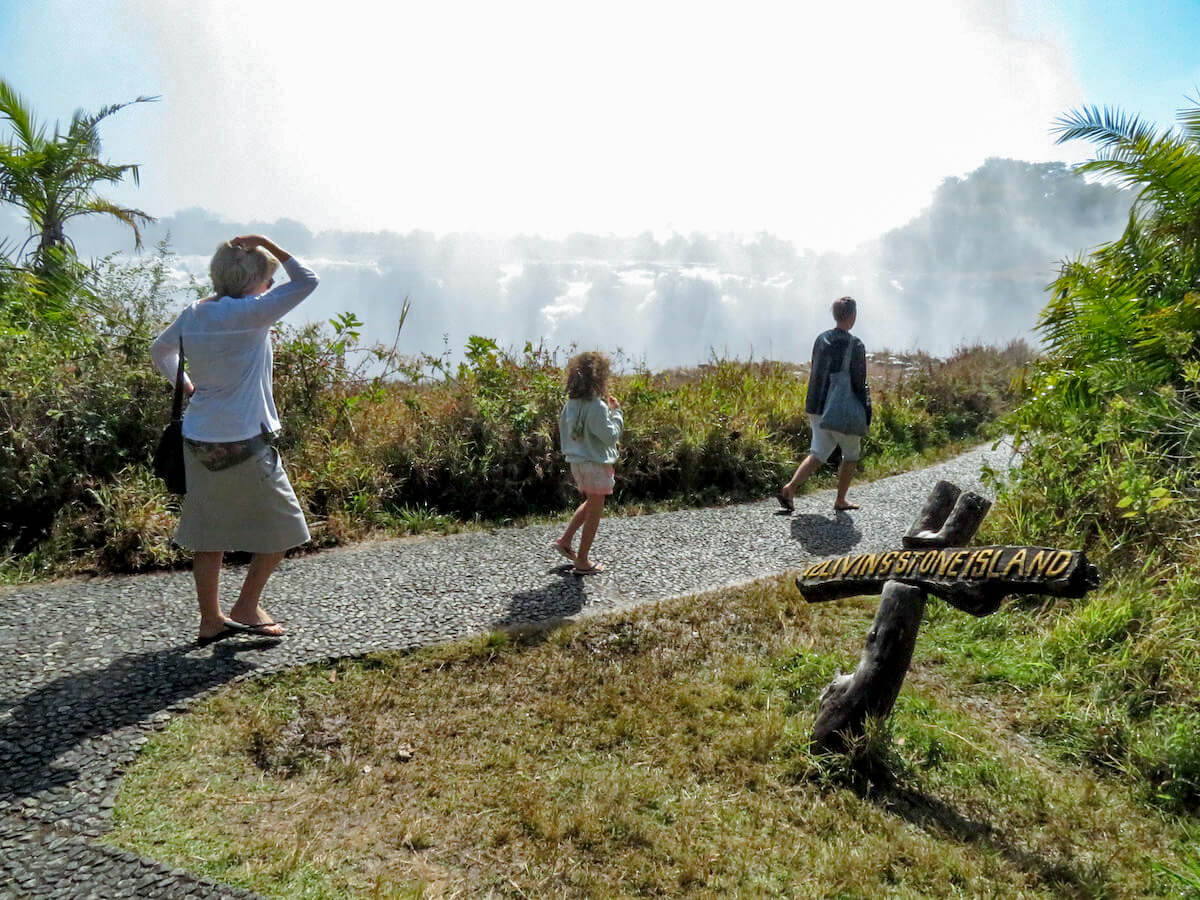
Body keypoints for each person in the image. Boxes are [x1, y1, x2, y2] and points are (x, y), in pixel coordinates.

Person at [151, 235, 319, 644]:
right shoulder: (254, 312)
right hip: (245, 439)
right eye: (267, 277)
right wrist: (267, 242)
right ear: (255, 279)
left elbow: (160, 350)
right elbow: (307, 280)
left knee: (210, 533)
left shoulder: (194, 313)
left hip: (199, 437)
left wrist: (189, 387)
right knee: (286, 526)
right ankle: (246, 606)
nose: (269, 286)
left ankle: (211, 619)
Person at [777, 295, 871, 513]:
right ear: (853, 316)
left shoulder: (821, 339)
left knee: (818, 452)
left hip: (816, 406)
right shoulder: (855, 344)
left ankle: (790, 488)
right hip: (840, 408)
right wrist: (865, 409)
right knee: (851, 454)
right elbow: (859, 381)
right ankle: (840, 500)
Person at [552, 351, 623, 575]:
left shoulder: (570, 405)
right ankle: (582, 560)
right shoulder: (597, 407)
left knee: (592, 501)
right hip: (594, 462)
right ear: (599, 379)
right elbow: (610, 436)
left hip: (577, 463)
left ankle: (565, 540)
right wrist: (617, 414)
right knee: (595, 511)